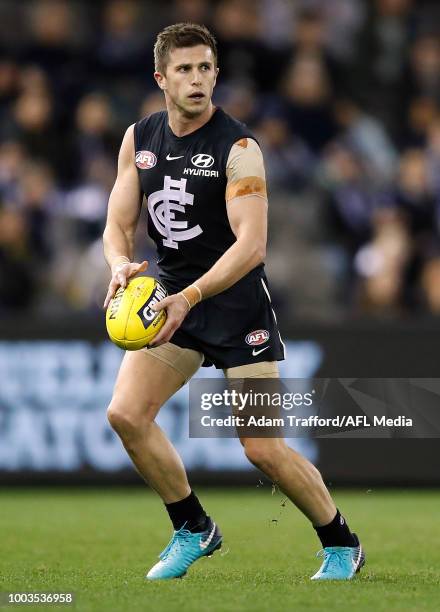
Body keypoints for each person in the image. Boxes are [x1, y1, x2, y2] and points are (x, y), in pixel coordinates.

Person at [102, 22, 365, 581]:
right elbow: (117, 224)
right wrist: (118, 266)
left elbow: (252, 246)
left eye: (205, 68)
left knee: (262, 447)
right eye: (184, 70)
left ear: (217, 74)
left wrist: (190, 297)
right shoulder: (138, 139)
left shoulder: (239, 147)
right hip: (173, 299)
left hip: (234, 304)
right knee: (126, 414)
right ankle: (193, 527)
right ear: (161, 78)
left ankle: (341, 541)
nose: (197, 80)